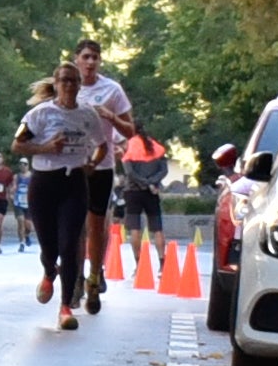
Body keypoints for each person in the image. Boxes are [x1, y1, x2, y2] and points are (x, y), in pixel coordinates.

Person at [14, 63, 110, 332]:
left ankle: (66, 307)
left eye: (73, 81)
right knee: (50, 248)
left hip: (74, 183)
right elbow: (17, 145)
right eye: (64, 81)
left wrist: (92, 164)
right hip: (44, 184)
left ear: (79, 85)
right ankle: (48, 271)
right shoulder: (40, 114)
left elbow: (102, 146)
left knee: (70, 246)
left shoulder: (87, 114)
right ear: (56, 84)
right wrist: (46, 147)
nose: (69, 85)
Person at [72, 38, 137, 307]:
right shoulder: (66, 86)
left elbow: (130, 131)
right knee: (74, 225)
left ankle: (94, 277)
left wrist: (111, 116)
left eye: (95, 57)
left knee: (96, 226)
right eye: (86, 57)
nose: (90, 62)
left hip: (102, 167)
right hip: (72, 166)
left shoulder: (112, 89)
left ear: (100, 61)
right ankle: (76, 278)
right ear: (76, 59)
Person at [120, 127, 171, 267]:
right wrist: (151, 183)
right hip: (152, 192)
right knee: (157, 228)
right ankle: (162, 263)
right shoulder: (156, 147)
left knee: (135, 228)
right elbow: (164, 170)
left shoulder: (129, 146)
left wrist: (144, 183)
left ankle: (139, 264)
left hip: (133, 192)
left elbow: (130, 173)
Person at [13, 163, 33, 251]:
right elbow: (13, 186)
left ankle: (27, 235)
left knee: (28, 226)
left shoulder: (32, 176)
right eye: (21, 164)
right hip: (18, 203)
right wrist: (12, 191)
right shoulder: (16, 176)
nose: (23, 166)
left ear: (28, 166)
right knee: (20, 221)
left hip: (29, 203)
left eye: (25, 164)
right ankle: (21, 243)